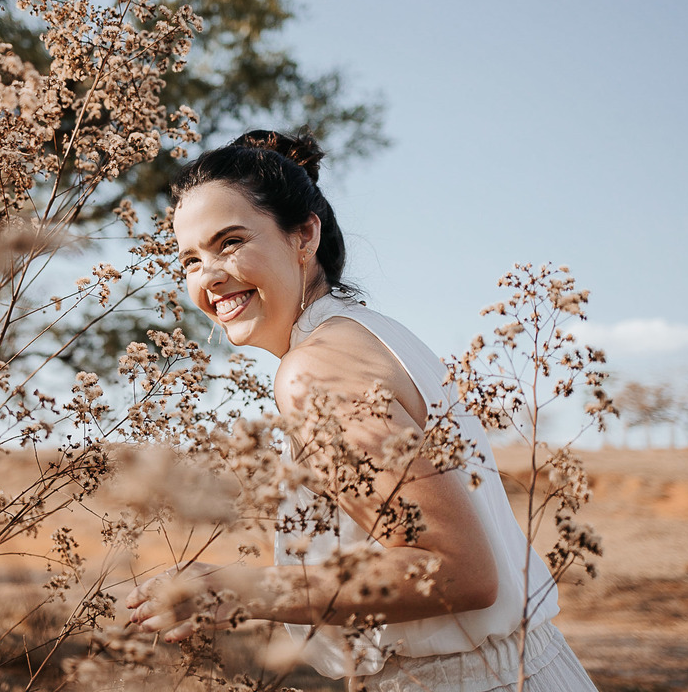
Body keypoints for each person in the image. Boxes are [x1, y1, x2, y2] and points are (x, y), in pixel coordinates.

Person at [125, 130, 597, 691]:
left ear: (305, 235)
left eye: (229, 242)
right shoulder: (369, 334)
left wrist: (236, 590)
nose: (209, 276)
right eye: (190, 260)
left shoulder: (317, 367)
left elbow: (458, 572)